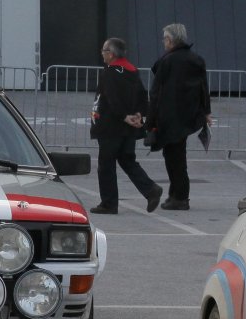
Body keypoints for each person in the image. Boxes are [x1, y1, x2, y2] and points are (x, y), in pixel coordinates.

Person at [88, 38, 162, 215]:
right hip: (128, 127)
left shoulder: (109, 72)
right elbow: (142, 95)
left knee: (106, 164)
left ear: (111, 54)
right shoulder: (132, 70)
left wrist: (124, 116)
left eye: (104, 50)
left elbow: (111, 98)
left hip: (111, 125)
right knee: (127, 160)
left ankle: (109, 203)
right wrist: (140, 114)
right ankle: (150, 189)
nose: (102, 54)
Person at [147, 23, 212, 212]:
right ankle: (175, 194)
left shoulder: (167, 61)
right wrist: (206, 111)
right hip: (188, 115)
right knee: (177, 156)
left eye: (165, 39)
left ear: (170, 40)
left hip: (169, 115)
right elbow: (203, 88)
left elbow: (156, 92)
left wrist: (150, 119)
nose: (163, 42)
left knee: (174, 158)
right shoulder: (196, 60)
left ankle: (180, 197)